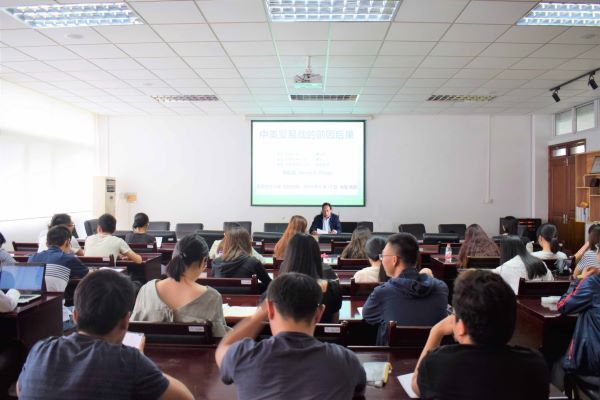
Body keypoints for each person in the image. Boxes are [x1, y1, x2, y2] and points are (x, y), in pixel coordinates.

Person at [17, 269, 193, 399]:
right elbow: (185, 398)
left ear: (75, 316)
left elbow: (20, 389)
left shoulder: (41, 349)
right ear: (125, 320)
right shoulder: (129, 361)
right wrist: (141, 361)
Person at [215, 273, 366, 400]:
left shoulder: (243, 356)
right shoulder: (347, 360)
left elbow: (223, 349)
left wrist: (259, 315)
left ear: (270, 309)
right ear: (319, 313)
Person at [411, 269, 550, 400]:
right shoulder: (535, 366)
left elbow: (416, 387)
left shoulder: (438, 363)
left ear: (461, 327)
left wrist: (436, 331)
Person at [131, 234, 229, 338]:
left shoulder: (146, 290)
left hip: (148, 349)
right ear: (203, 261)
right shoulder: (212, 298)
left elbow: (132, 331)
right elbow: (220, 339)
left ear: (174, 256)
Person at [362, 233, 448, 345]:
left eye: (383, 256)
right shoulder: (441, 288)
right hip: (432, 355)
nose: (382, 260)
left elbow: (368, 316)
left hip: (393, 355)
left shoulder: (382, 293)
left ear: (394, 260)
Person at [555, 265, 600, 392]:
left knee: (557, 363)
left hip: (593, 366)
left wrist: (579, 279)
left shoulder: (593, 282)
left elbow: (563, 306)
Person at [280, 233, 341, 323]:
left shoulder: (279, 289)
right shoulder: (332, 289)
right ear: (316, 254)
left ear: (290, 255)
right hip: (322, 332)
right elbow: (334, 323)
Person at [212, 227, 271, 291]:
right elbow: (269, 284)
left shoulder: (216, 262)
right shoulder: (253, 262)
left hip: (221, 296)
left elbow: (214, 284)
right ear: (248, 243)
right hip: (249, 297)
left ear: (226, 243)